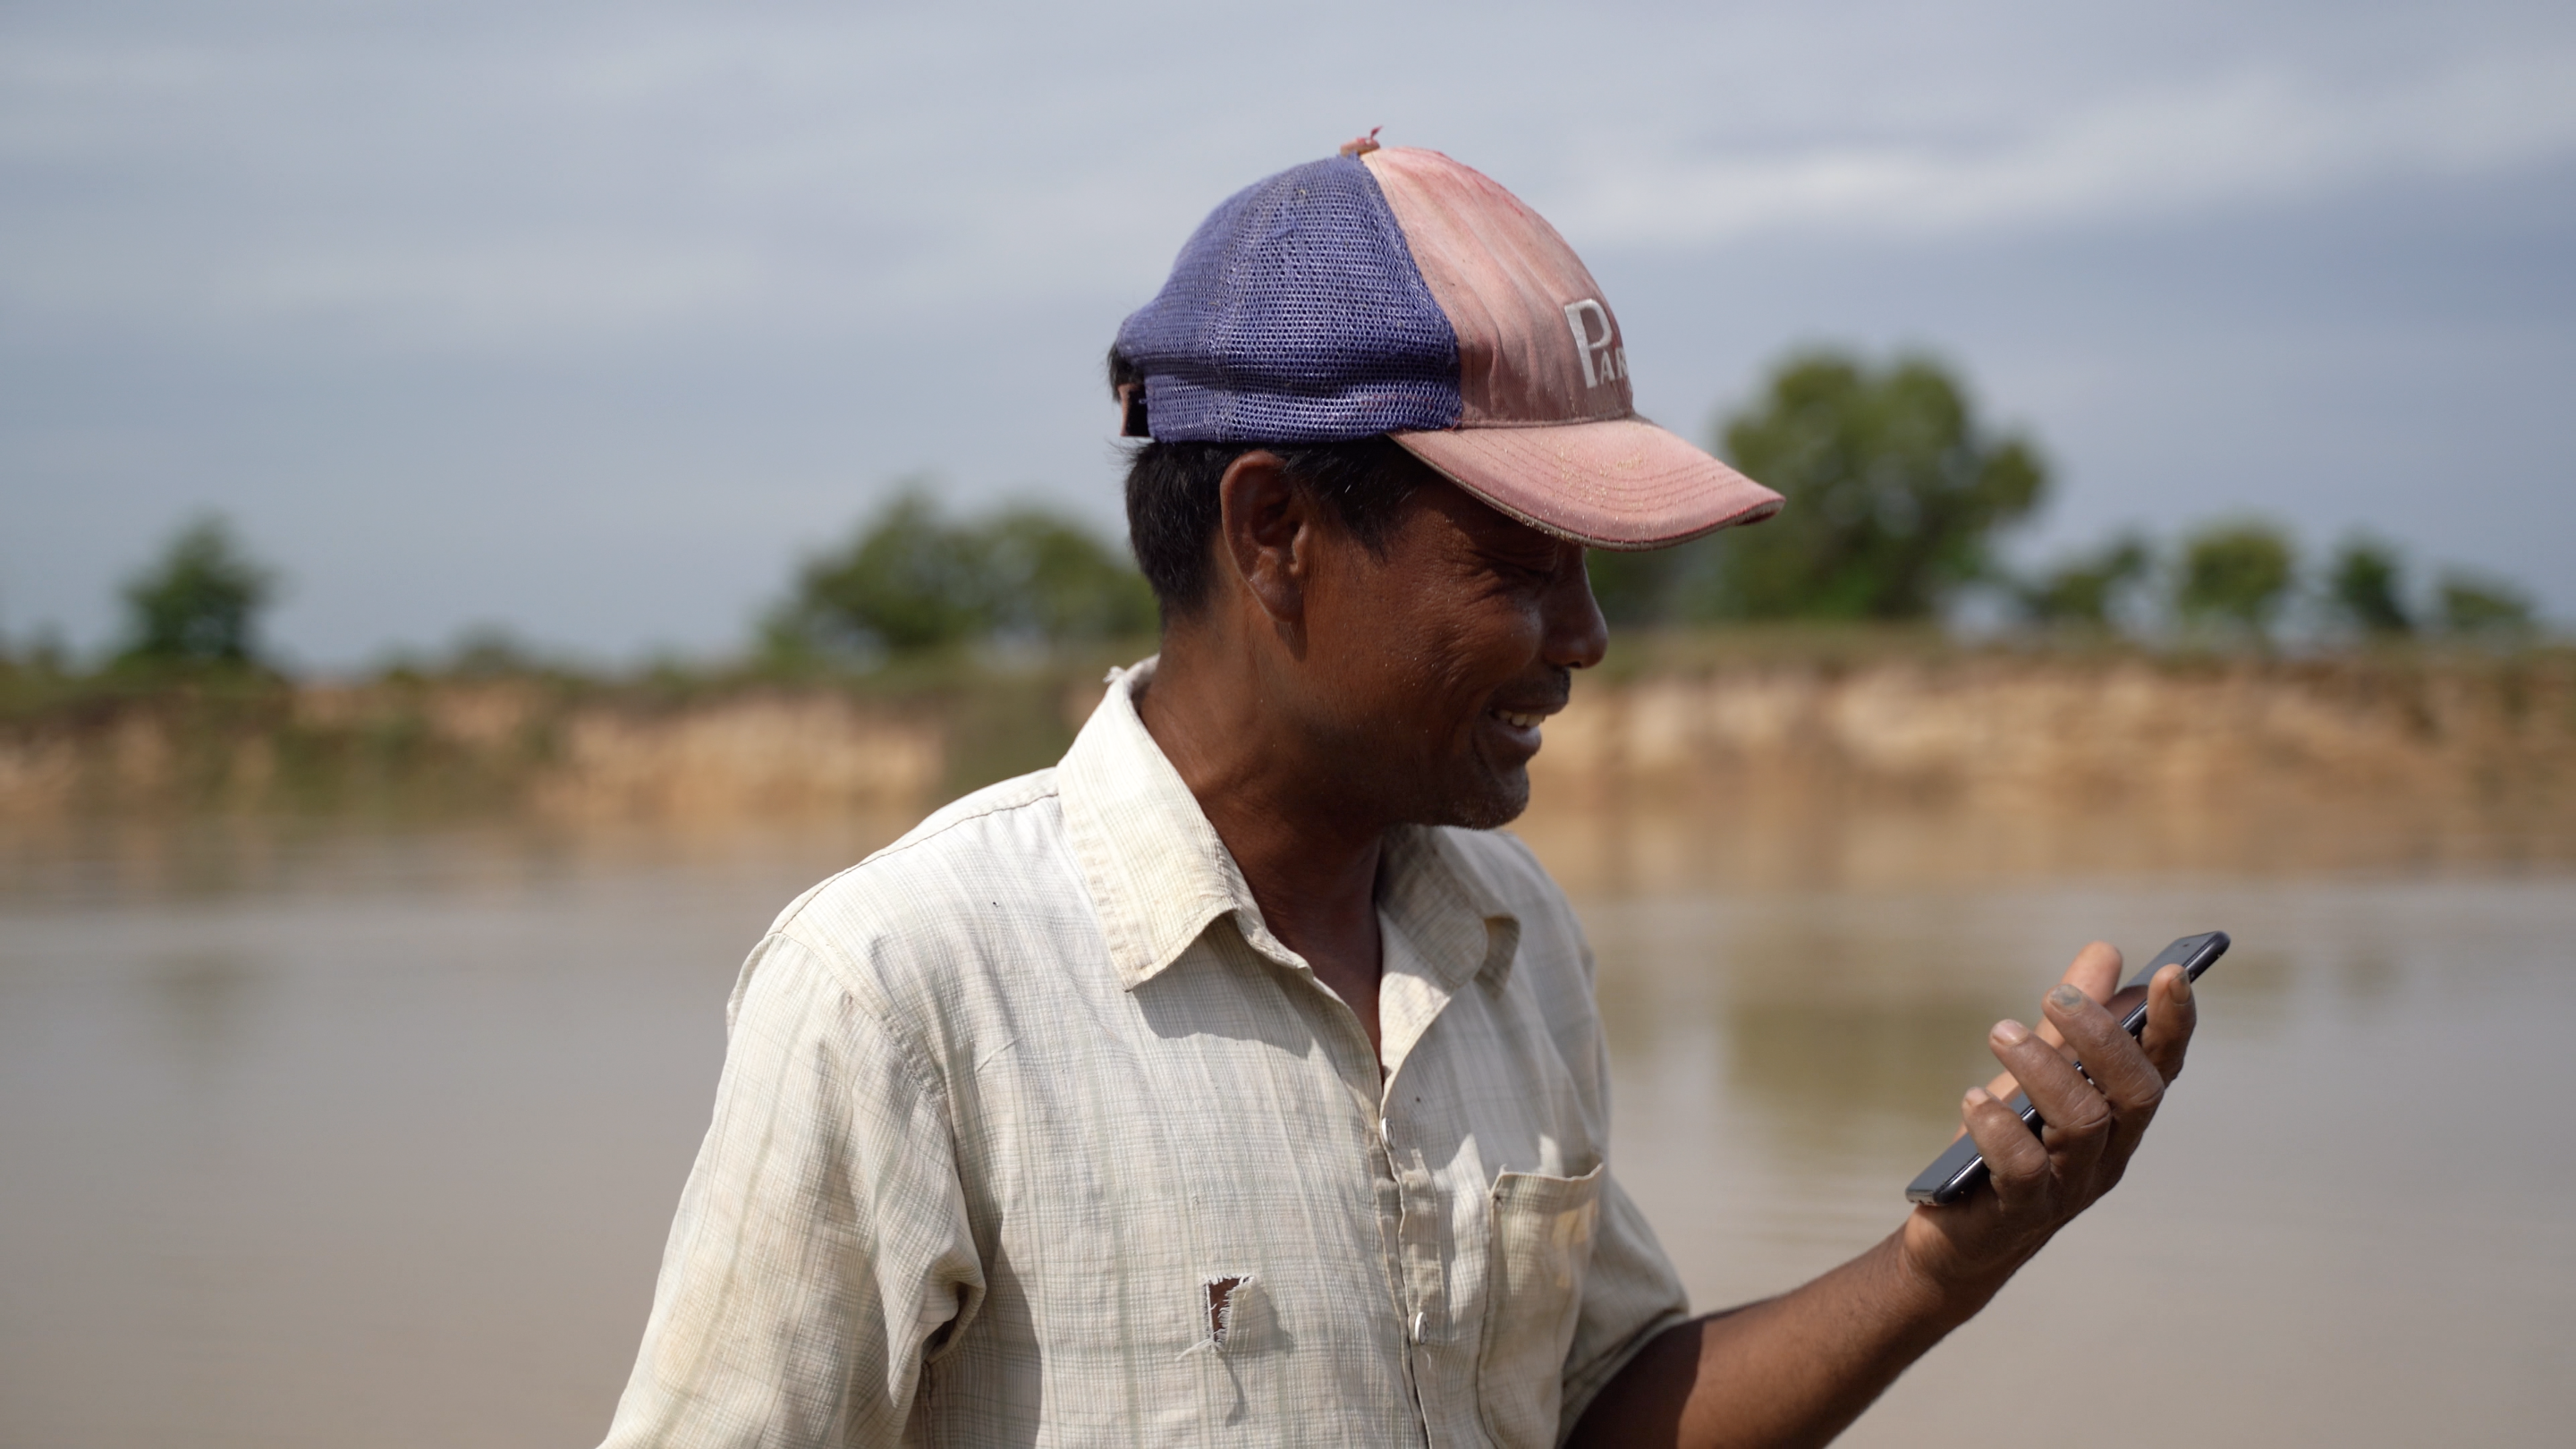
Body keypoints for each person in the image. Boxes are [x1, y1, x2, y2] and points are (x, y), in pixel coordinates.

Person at [597, 138, 2199, 1449]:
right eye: (1514, 566)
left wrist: (1954, 1255)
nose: (1582, 638)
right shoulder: (903, 989)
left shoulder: (1508, 936)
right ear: (1274, 528)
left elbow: (1593, 1414)